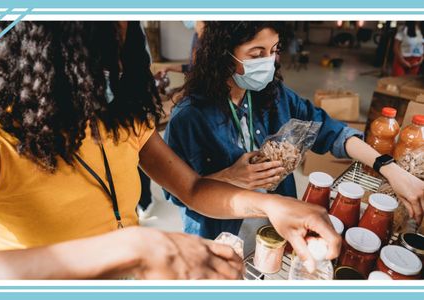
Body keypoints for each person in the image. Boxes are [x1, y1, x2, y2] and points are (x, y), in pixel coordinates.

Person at [0, 21, 340, 279]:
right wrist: (134, 247)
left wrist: (272, 204)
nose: (117, 64)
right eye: (99, 49)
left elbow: (193, 189)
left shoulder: (120, 116)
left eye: (122, 45)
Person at [164, 21, 424, 253]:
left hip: (278, 224)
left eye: (274, 50)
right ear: (224, 55)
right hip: (221, 235)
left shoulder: (273, 95)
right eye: (256, 54)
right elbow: (179, 193)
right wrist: (228, 177)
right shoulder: (189, 118)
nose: (269, 61)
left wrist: (389, 169)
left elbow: (330, 130)